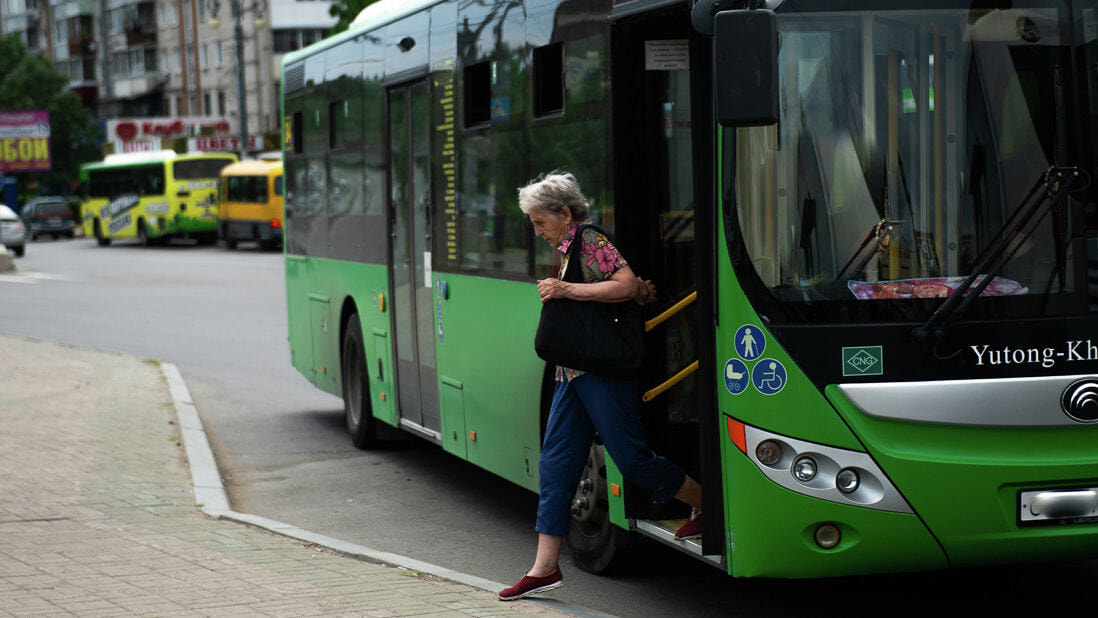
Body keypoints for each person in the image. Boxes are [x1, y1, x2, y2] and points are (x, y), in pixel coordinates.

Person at [499, 172, 702, 602]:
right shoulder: (567, 247)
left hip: (602, 372)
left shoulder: (589, 240)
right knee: (555, 467)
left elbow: (625, 285)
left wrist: (563, 289)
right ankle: (545, 568)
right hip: (571, 373)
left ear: (565, 214)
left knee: (631, 459)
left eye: (539, 222)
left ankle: (706, 503)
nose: (535, 231)